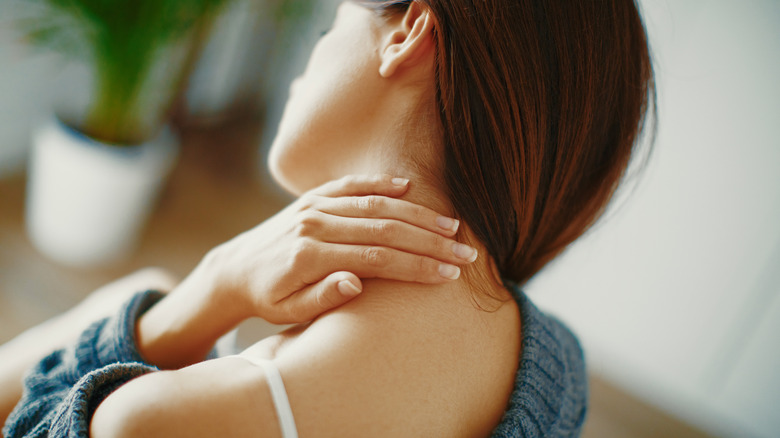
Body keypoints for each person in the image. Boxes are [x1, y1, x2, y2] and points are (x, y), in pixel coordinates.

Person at [2, 0, 655, 436]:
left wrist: (206, 293)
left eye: (327, 28)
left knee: (132, 303)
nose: (307, 65)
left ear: (408, 35)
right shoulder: (557, 368)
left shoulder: (157, 420)